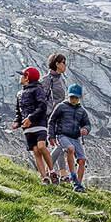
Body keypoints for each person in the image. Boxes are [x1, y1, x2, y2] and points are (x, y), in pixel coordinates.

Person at [12, 66, 55, 184]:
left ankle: (52, 171)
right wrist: (17, 121)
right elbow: (18, 110)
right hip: (27, 127)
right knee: (35, 151)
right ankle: (44, 177)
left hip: (39, 123)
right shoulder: (19, 94)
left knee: (41, 146)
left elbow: (42, 106)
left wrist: (31, 118)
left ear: (27, 78)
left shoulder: (38, 89)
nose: (20, 77)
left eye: (22, 75)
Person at [48, 84, 91, 192]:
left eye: (76, 98)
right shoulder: (61, 106)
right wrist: (51, 136)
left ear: (79, 98)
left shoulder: (82, 111)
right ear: (68, 96)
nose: (73, 100)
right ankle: (73, 176)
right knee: (70, 149)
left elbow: (87, 124)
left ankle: (78, 185)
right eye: (72, 97)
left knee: (82, 160)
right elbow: (51, 121)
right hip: (62, 135)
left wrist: (86, 129)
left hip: (75, 138)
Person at [43, 53, 68, 182]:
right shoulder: (48, 79)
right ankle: (48, 172)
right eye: (63, 63)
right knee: (61, 143)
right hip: (51, 117)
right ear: (57, 64)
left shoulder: (58, 79)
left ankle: (63, 174)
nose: (65, 66)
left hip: (59, 116)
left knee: (59, 144)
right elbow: (42, 98)